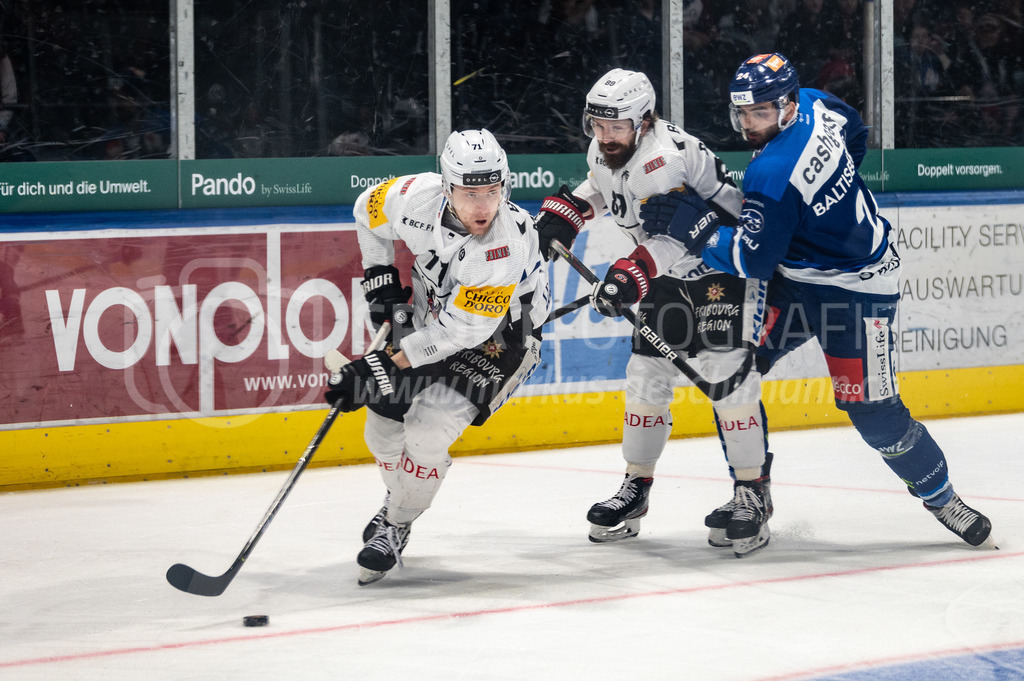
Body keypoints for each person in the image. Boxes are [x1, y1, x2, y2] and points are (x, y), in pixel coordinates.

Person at [639, 53, 994, 548]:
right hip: (796, 281)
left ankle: (943, 498)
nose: (748, 125)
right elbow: (859, 135)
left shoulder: (775, 171)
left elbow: (751, 260)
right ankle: (752, 492)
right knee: (731, 368)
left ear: (786, 105)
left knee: (873, 412)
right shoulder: (817, 102)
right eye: (741, 113)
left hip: (857, 290)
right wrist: (824, 209)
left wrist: (693, 229)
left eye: (759, 113)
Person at [535, 68, 772, 556]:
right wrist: (572, 209)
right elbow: (606, 185)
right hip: (666, 276)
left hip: (719, 274)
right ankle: (636, 489)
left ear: (643, 122)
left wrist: (628, 274)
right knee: (644, 381)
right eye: (597, 126)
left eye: (616, 127)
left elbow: (673, 235)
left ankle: (752, 493)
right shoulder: (610, 148)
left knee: (730, 385)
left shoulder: (661, 160)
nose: (604, 137)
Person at [325, 129, 551, 585]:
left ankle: (395, 524)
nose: (483, 206)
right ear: (446, 186)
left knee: (428, 428)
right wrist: (380, 277)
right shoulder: (415, 196)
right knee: (382, 425)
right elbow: (367, 210)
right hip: (432, 316)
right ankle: (401, 503)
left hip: (501, 339)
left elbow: (460, 333)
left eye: (493, 191)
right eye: (470, 193)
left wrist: (382, 365)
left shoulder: (502, 246)